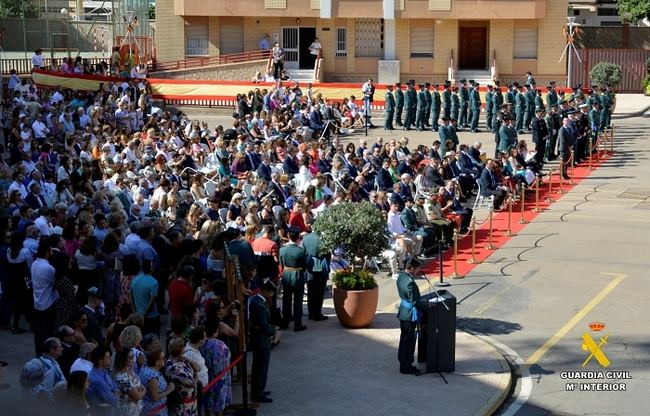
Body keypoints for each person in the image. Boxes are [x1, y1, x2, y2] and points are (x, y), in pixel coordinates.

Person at [249, 279, 278, 403]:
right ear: (264, 291)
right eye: (271, 292)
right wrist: (274, 331)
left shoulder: (259, 300)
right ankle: (257, 392)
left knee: (260, 366)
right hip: (261, 339)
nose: (272, 295)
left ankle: (259, 389)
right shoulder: (259, 304)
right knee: (261, 366)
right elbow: (264, 325)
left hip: (261, 337)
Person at [396, 257, 424, 375]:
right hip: (409, 314)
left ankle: (403, 362)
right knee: (409, 341)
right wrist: (428, 305)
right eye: (417, 268)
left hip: (403, 312)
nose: (418, 271)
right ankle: (406, 365)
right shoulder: (410, 283)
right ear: (411, 268)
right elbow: (415, 302)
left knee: (404, 339)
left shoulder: (401, 276)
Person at [32, 238, 58, 356]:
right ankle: (46, 353)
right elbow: (54, 282)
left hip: (38, 301)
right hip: (47, 302)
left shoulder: (34, 264)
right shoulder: (48, 268)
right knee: (47, 331)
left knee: (39, 332)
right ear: (47, 253)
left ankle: (40, 353)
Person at [200, 320, 232, 416]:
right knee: (220, 402)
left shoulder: (201, 345)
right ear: (215, 332)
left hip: (206, 378)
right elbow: (228, 360)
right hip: (220, 378)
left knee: (207, 401)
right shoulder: (222, 345)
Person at [279, 227, 307, 331]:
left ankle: (285, 323)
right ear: (297, 238)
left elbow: (281, 263)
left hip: (287, 275)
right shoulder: (300, 251)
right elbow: (304, 266)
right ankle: (297, 324)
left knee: (286, 300)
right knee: (298, 301)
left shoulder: (282, 249)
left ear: (288, 236)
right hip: (298, 275)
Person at [164, 338, 198, 416]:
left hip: (191, 400)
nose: (185, 348)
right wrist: (196, 375)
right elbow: (192, 384)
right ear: (180, 349)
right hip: (183, 403)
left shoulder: (182, 360)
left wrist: (190, 361)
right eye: (184, 347)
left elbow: (197, 368)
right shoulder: (174, 367)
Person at [302, 230, 329, 321]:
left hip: (309, 266)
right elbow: (327, 253)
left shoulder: (305, 238)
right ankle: (317, 313)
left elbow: (303, 252)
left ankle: (311, 313)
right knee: (319, 292)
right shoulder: (323, 239)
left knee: (310, 291)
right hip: (320, 267)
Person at [139, 348, 175, 416]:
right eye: (163, 358)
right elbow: (155, 397)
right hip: (155, 411)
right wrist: (170, 389)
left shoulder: (145, 366)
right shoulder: (152, 377)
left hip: (150, 409)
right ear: (157, 362)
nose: (165, 359)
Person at [130, 259, 160, 335]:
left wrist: (135, 313)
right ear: (151, 268)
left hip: (138, 314)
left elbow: (131, 297)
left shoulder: (135, 280)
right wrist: (143, 315)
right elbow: (151, 301)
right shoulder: (154, 282)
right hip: (151, 317)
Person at [114, 347, 145, 416]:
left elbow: (139, 389)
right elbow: (138, 396)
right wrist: (144, 390)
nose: (132, 360)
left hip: (136, 412)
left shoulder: (131, 371)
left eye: (133, 357)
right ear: (123, 360)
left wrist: (138, 391)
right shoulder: (122, 377)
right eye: (130, 358)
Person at [87, 345, 119, 410]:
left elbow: (115, 386)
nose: (111, 359)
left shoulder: (104, 371)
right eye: (108, 357)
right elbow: (112, 401)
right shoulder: (98, 380)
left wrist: (114, 393)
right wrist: (116, 394)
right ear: (100, 362)